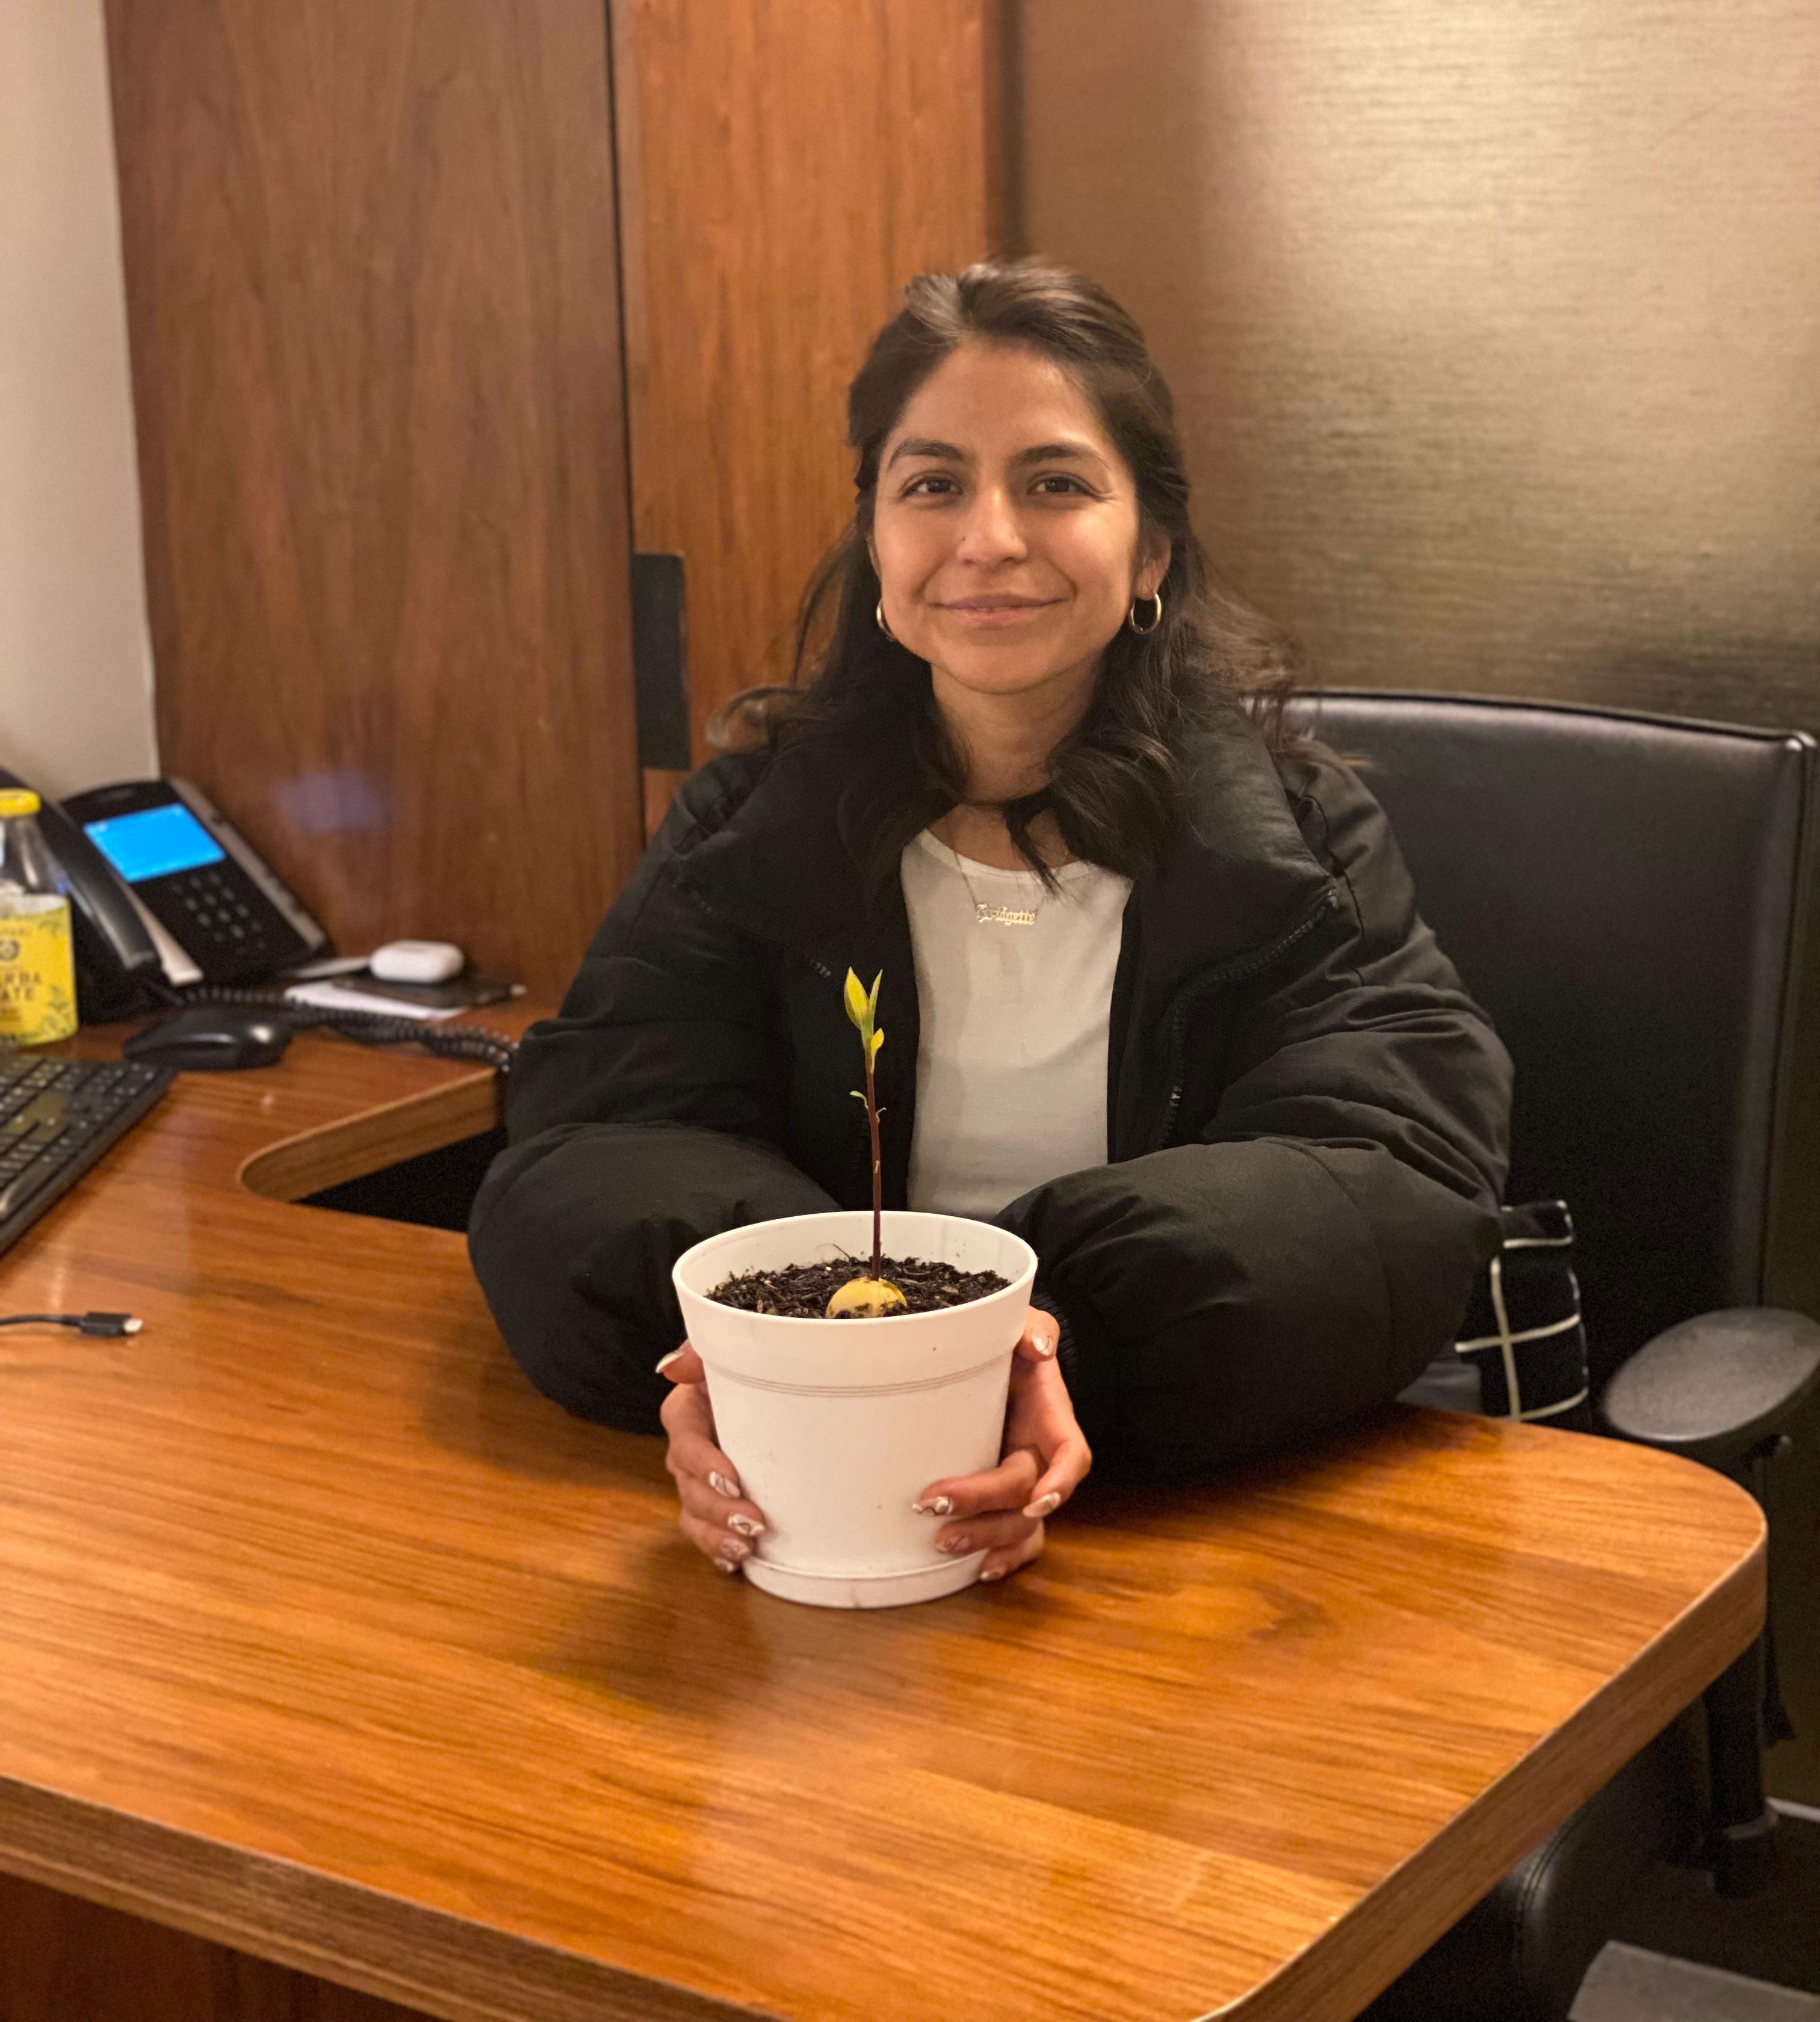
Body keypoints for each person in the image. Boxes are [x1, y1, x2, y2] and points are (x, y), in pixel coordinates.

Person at [469, 260, 1512, 1585]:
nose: (991, 538)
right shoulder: (753, 825)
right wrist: (767, 1353)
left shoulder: (1292, 844)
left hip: (1181, 1541)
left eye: (1058, 483)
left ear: (1150, 550)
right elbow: (589, 1149)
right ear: (877, 539)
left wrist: (1042, 1345)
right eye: (933, 483)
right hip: (804, 1529)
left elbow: (1388, 1178)